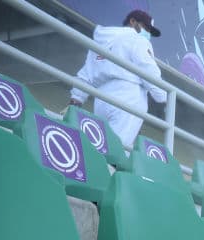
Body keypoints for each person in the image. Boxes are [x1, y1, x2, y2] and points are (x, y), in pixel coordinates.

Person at [69, 10, 167, 148]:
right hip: (128, 97)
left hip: (101, 99)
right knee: (117, 150)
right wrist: (162, 97)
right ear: (132, 22)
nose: (147, 33)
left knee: (99, 145)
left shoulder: (101, 41)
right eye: (146, 27)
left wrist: (76, 99)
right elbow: (149, 70)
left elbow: (86, 74)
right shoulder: (138, 40)